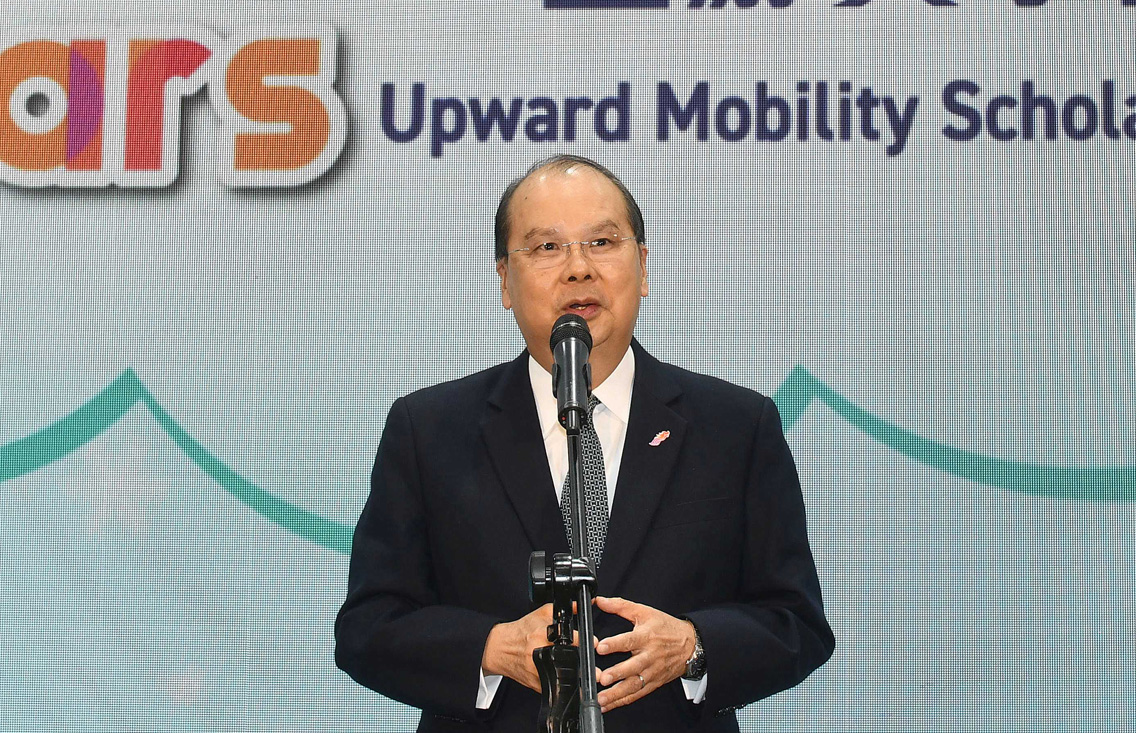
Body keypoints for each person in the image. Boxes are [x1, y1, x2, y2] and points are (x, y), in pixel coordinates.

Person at [335, 155, 834, 732]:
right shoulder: (428, 430)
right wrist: (491, 649)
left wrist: (694, 646)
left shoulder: (736, 426)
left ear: (642, 267)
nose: (578, 269)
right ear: (504, 280)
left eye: (602, 242)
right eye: (547, 247)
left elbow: (797, 623)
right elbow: (367, 629)